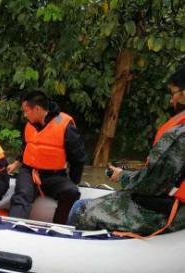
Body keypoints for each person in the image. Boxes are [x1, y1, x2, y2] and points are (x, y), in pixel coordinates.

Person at [70, 66, 185, 237]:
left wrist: (123, 176)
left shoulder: (179, 135)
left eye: (173, 93)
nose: (171, 100)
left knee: (80, 209)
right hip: (170, 204)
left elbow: (150, 185)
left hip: (169, 212)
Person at [7, 90, 86, 224]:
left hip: (54, 176)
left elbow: (78, 158)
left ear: (37, 109)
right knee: (22, 195)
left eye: (26, 111)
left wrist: (74, 180)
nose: (25, 115)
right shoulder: (30, 124)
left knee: (71, 192)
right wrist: (16, 163)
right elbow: (28, 147)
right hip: (29, 172)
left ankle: (58, 228)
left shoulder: (66, 126)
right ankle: (13, 228)